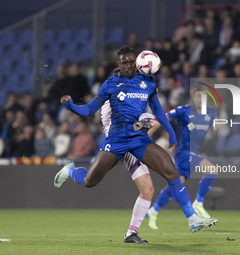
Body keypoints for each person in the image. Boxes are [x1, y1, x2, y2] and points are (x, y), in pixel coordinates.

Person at [53, 47, 217, 242]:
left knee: (169, 173)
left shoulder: (147, 82)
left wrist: (171, 134)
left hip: (139, 140)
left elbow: (158, 111)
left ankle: (191, 219)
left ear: (138, 62)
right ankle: (71, 171)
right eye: (125, 63)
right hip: (116, 141)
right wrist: (71, 106)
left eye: (132, 61)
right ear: (119, 65)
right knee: (90, 181)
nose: (130, 65)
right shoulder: (111, 84)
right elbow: (89, 110)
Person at [146, 89, 220, 230]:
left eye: (204, 97)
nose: (201, 99)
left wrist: (217, 131)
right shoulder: (184, 111)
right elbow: (163, 118)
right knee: (211, 170)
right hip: (183, 152)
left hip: (194, 152)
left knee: (177, 183)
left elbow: (217, 138)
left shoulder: (211, 114)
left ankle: (153, 211)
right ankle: (198, 203)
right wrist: (149, 132)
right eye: (198, 96)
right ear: (193, 98)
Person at [101, 100, 155, 243]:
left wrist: (145, 124)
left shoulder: (132, 92)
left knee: (148, 190)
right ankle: (72, 171)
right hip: (119, 141)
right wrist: (142, 125)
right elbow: (115, 128)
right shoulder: (113, 93)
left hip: (133, 141)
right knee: (90, 180)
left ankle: (131, 233)